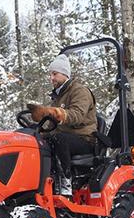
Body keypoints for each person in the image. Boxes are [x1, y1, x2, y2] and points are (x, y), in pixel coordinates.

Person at [26, 53, 97, 196]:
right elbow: (53, 125)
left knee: (59, 139)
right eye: (50, 75)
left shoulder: (79, 91)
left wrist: (56, 113)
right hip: (65, 136)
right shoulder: (58, 96)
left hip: (84, 138)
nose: (51, 78)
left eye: (54, 74)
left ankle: (65, 183)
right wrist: (37, 131)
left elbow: (76, 115)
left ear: (64, 74)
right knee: (35, 139)